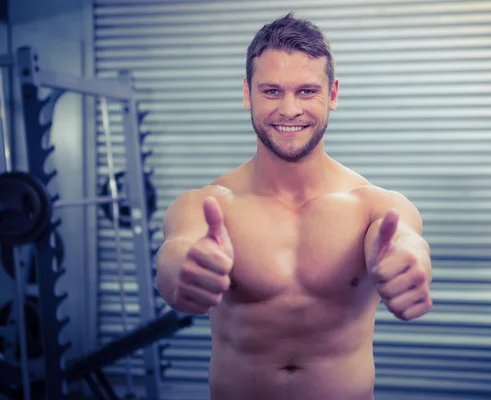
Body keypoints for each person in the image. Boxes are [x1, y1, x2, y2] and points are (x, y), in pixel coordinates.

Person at [156, 12, 432, 400]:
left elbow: (404, 240)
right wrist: (180, 272)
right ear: (246, 93)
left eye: (306, 91)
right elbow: (177, 251)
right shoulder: (208, 205)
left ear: (332, 95)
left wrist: (410, 262)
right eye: (271, 91)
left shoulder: (374, 206)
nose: (289, 110)